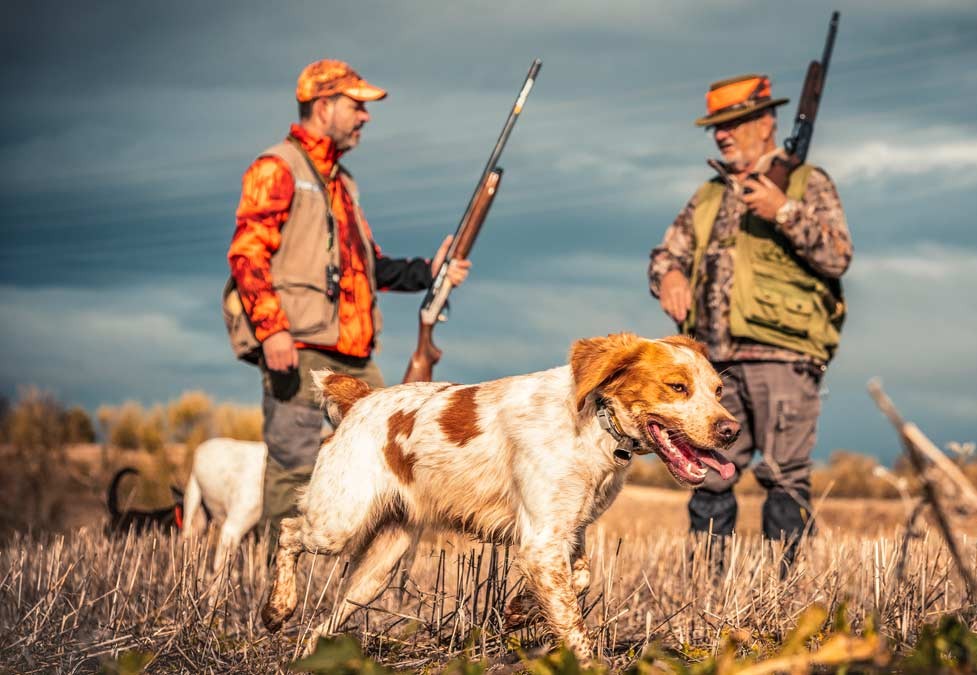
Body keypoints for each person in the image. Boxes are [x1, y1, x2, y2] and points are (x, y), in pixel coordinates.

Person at [224, 59, 471, 538]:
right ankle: (279, 572)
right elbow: (247, 254)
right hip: (299, 347)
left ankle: (363, 572)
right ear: (323, 106)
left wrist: (430, 272)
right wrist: (272, 330)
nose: (365, 116)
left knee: (387, 463)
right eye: (356, 105)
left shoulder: (342, 182)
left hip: (355, 355)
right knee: (293, 464)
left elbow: (367, 266)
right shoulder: (277, 168)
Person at [648, 74, 852, 569]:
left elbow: (837, 255)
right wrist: (669, 276)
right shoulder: (708, 195)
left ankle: (789, 591)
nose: (721, 135)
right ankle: (706, 587)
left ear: (765, 123)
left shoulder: (807, 183)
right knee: (708, 473)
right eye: (716, 127)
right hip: (714, 364)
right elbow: (664, 254)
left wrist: (784, 211)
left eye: (732, 123)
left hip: (784, 356)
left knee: (785, 477)